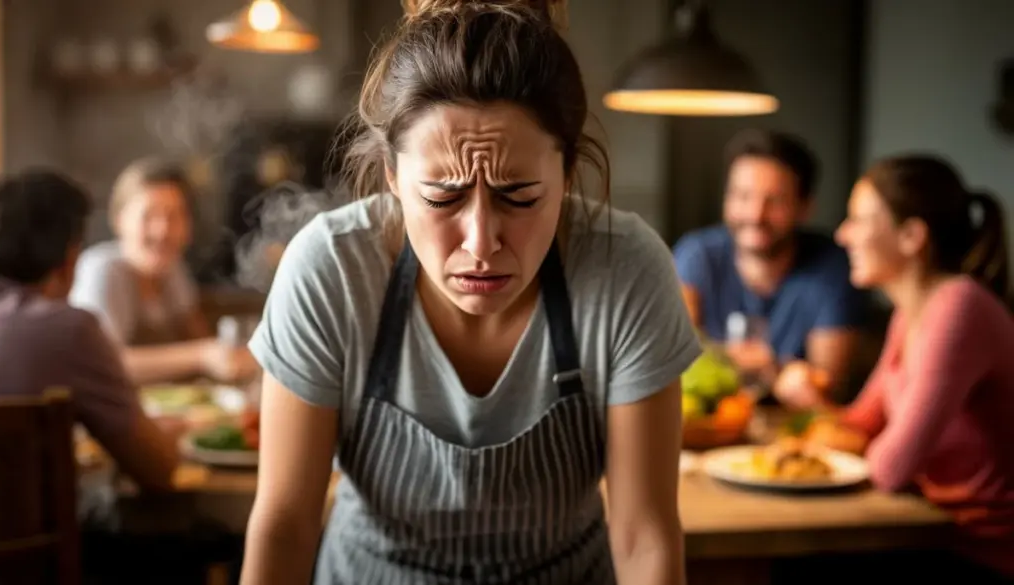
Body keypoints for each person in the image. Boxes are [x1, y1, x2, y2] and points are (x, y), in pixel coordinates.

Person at [241, 1, 699, 584]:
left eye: (521, 196)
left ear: (567, 175)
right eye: (441, 198)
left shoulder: (626, 269)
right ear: (392, 177)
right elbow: (285, 525)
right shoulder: (331, 268)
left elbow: (643, 536)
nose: (481, 243)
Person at [807, 155, 1014, 581]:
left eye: (858, 220)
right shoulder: (910, 312)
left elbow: (891, 466)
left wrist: (853, 439)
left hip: (984, 553)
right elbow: (863, 422)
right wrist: (814, 400)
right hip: (931, 531)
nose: (843, 235)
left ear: (911, 236)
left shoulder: (959, 308)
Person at [0, 170, 179, 493]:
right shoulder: (68, 329)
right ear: (70, 255)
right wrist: (167, 438)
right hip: (38, 543)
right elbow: (157, 470)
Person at [673, 129, 864, 407]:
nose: (755, 215)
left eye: (774, 201)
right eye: (742, 196)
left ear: (804, 207)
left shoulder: (832, 269)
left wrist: (772, 369)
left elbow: (827, 387)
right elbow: (672, 358)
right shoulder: (696, 254)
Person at [68, 157, 256, 386]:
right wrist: (202, 355)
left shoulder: (173, 269)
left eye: (175, 216)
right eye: (149, 216)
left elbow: (196, 335)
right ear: (119, 221)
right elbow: (102, 362)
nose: (163, 230)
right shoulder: (103, 270)